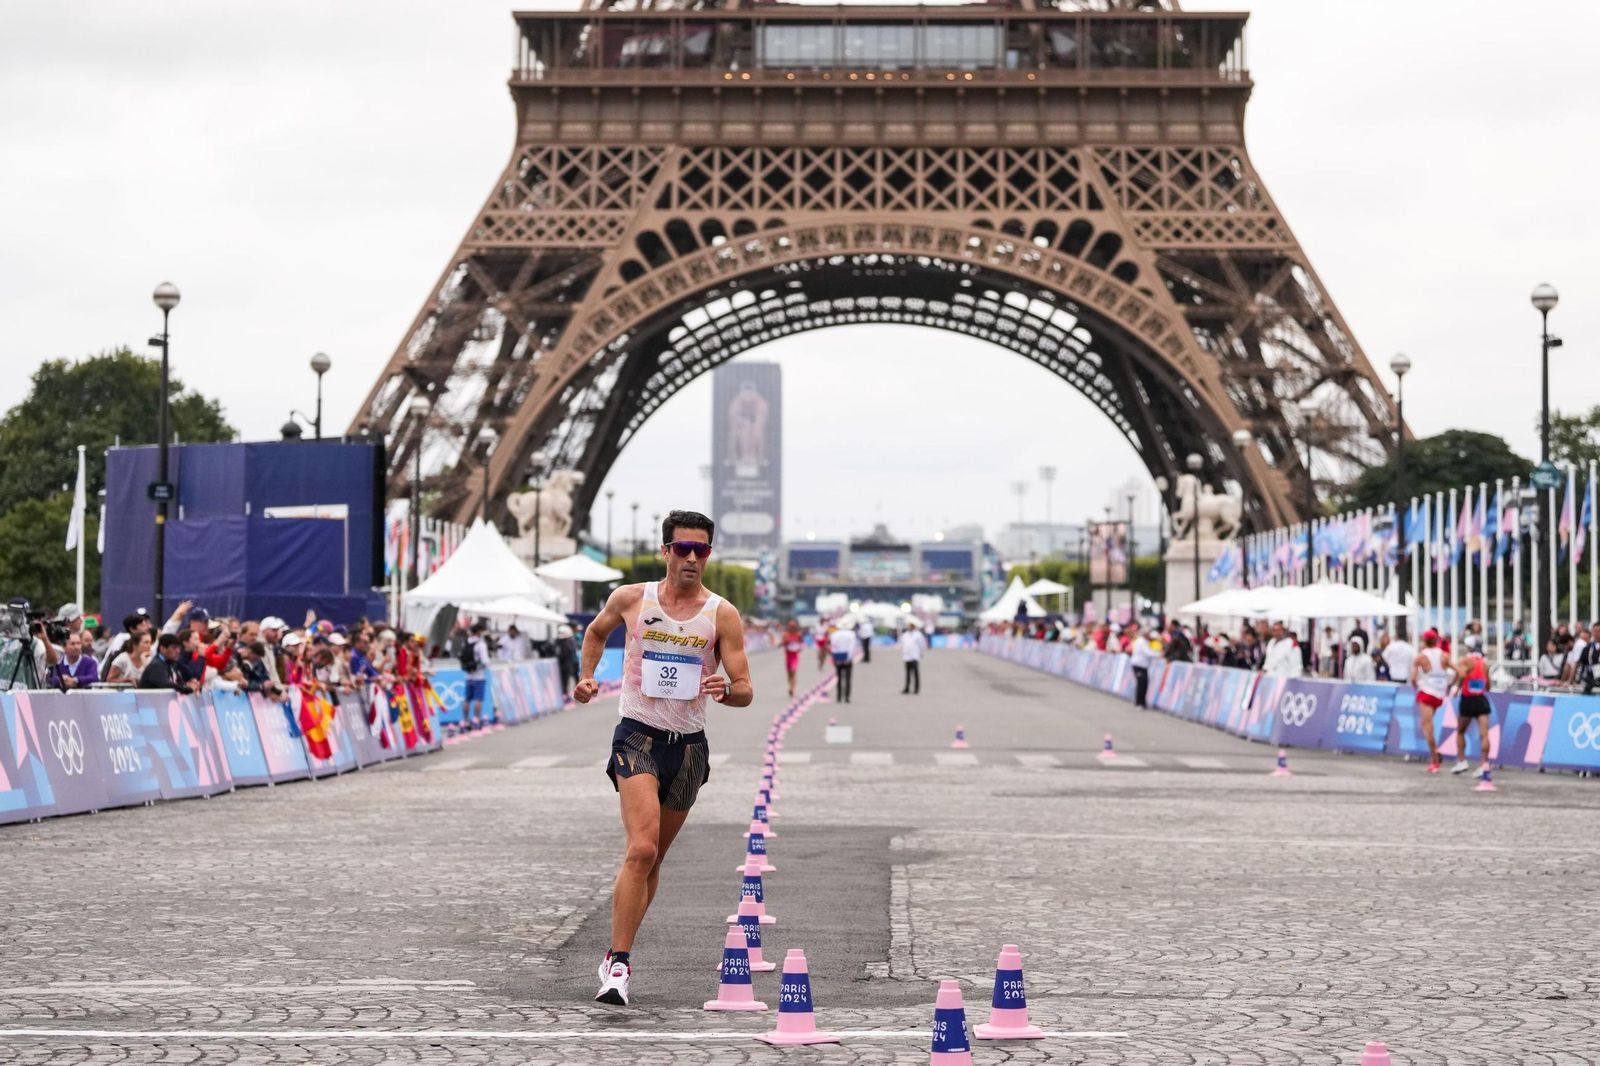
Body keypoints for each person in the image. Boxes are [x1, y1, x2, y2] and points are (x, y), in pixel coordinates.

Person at [574, 509, 752, 1007]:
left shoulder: (722, 614)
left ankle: (616, 950)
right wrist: (588, 676)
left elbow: (745, 689)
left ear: (709, 555)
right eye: (683, 548)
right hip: (637, 737)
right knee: (643, 850)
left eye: (702, 550)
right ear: (666, 551)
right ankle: (619, 966)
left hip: (689, 749)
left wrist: (726, 689)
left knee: (653, 859)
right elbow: (595, 632)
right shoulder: (633, 598)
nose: (692, 558)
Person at [1410, 629, 1456, 773]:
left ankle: (1435, 758)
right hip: (1439, 695)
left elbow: (1413, 678)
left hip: (1426, 693)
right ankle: (1435, 753)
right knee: (1426, 724)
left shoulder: (1421, 657)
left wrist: (1417, 686)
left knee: (1427, 727)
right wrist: (1451, 685)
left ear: (1424, 640)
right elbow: (1459, 671)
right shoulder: (1444, 656)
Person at [1449, 645, 1493, 778]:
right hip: (1481, 700)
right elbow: (1488, 686)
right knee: (1484, 734)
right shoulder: (1485, 665)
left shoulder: (1466, 661)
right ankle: (1484, 764)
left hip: (1468, 700)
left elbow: (1462, 674)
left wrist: (1456, 686)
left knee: (1460, 731)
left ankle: (1462, 761)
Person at [459, 621, 489, 730]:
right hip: (479, 676)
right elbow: (485, 661)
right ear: (479, 632)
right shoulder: (481, 644)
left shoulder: (466, 642)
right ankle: (476, 719)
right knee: (478, 699)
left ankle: (465, 720)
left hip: (468, 675)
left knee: (467, 699)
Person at [1128, 622, 1159, 707]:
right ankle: (1140, 702)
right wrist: (1158, 654)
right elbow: (1147, 653)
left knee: (1143, 683)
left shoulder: (1144, 641)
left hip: (1142, 665)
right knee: (1141, 683)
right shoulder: (1141, 642)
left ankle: (1141, 701)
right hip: (1139, 665)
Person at [829, 618, 859, 702]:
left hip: (838, 656)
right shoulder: (852, 634)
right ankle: (847, 696)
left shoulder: (834, 634)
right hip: (847, 657)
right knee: (848, 678)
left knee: (839, 677)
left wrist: (835, 657)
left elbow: (833, 647)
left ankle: (838, 696)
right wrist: (848, 658)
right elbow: (852, 647)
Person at [899, 619, 927, 695]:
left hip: (915, 656)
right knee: (907, 673)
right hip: (906, 656)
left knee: (915, 673)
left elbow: (922, 645)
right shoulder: (905, 635)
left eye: (911, 626)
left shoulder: (918, 635)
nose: (909, 627)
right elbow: (902, 644)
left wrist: (921, 653)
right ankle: (907, 688)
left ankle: (916, 688)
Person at [781, 619, 804, 697]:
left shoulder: (798, 635)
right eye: (791, 626)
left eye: (793, 627)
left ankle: (792, 689)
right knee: (789, 675)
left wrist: (800, 648)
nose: (792, 628)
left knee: (793, 673)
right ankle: (790, 685)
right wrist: (785, 642)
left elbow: (802, 643)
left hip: (795, 657)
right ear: (788, 627)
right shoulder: (785, 634)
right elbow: (782, 643)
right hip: (788, 657)